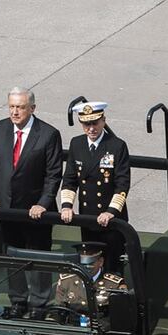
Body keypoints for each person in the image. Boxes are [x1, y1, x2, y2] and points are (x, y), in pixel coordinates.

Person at [0, 87, 63, 312]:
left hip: (36, 210)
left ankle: (39, 304)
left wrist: (43, 203)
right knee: (12, 256)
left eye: (20, 107)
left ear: (32, 108)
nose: (15, 112)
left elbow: (53, 174)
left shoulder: (48, 134)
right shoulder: (0, 128)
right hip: (7, 209)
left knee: (38, 256)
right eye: (12, 107)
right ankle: (18, 301)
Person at [59, 101, 131, 272]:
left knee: (112, 265)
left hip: (111, 220)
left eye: (95, 123)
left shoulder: (116, 146)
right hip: (88, 219)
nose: (91, 128)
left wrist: (110, 212)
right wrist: (66, 206)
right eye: (86, 124)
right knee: (90, 263)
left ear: (103, 121)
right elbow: (69, 179)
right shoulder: (77, 144)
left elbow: (122, 184)